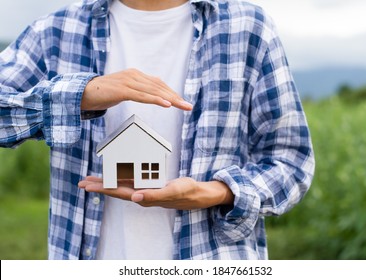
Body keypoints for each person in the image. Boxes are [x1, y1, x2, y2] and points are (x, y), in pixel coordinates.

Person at [0, 0, 315, 260]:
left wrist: (217, 193)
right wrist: (82, 94)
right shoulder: (56, 31)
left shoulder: (248, 27)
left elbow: (290, 161)